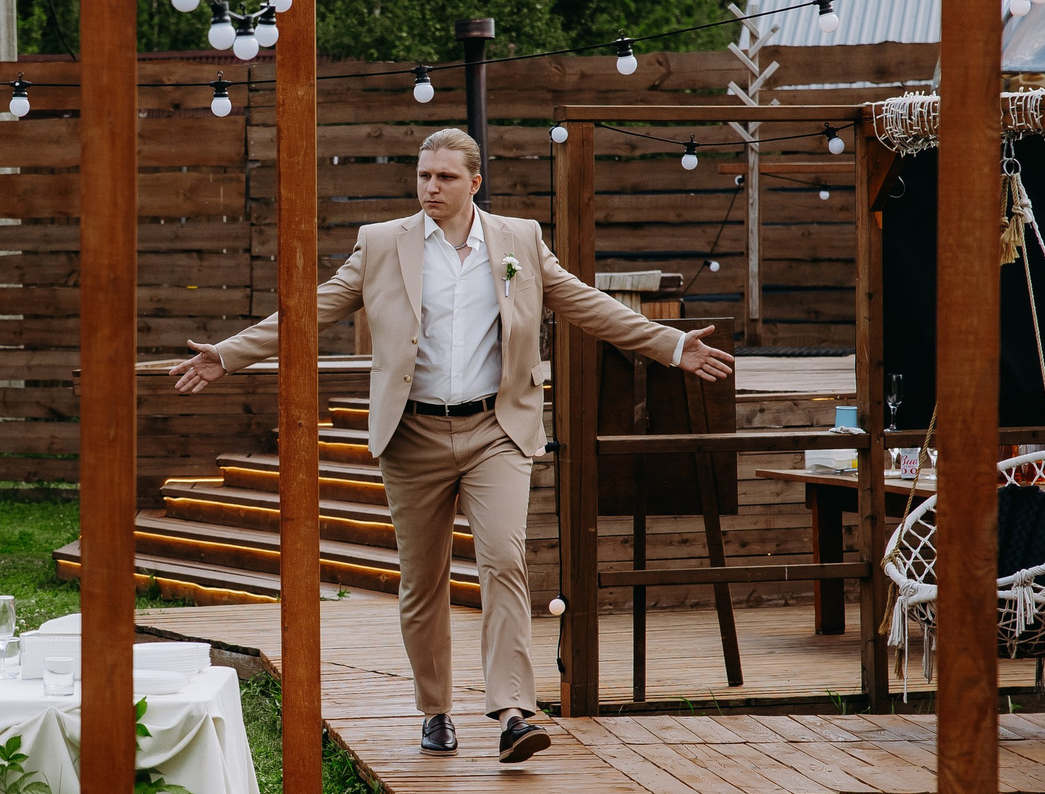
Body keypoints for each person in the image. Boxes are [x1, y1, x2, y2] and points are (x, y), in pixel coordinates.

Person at [170, 128, 732, 761]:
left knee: (503, 561)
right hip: (412, 433)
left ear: (475, 183)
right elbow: (311, 307)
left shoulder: (520, 239)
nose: (430, 187)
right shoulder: (383, 244)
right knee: (423, 580)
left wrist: (673, 344)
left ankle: (514, 712)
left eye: (444, 177)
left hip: (497, 428)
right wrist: (229, 354)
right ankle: (435, 710)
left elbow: (584, 302)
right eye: (423, 176)